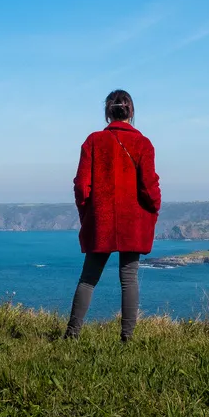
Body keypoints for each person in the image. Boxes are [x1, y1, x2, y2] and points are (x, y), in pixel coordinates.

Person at [64, 89, 161, 342]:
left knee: (88, 279)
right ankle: (126, 340)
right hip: (133, 221)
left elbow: (81, 185)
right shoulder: (142, 143)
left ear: (108, 112)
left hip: (102, 219)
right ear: (131, 112)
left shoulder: (93, 141)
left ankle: (72, 336)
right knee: (129, 279)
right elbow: (149, 186)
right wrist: (154, 210)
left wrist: (87, 213)